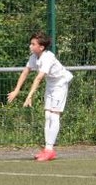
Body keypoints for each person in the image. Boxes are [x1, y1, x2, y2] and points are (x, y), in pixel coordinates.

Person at [7, 31, 73, 161]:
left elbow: (38, 78)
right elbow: (25, 72)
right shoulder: (34, 57)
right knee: (47, 115)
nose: (30, 46)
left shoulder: (48, 57)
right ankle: (47, 149)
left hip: (60, 83)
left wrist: (29, 96)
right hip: (51, 84)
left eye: (33, 44)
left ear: (41, 47)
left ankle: (50, 150)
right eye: (30, 43)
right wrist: (16, 90)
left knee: (54, 115)